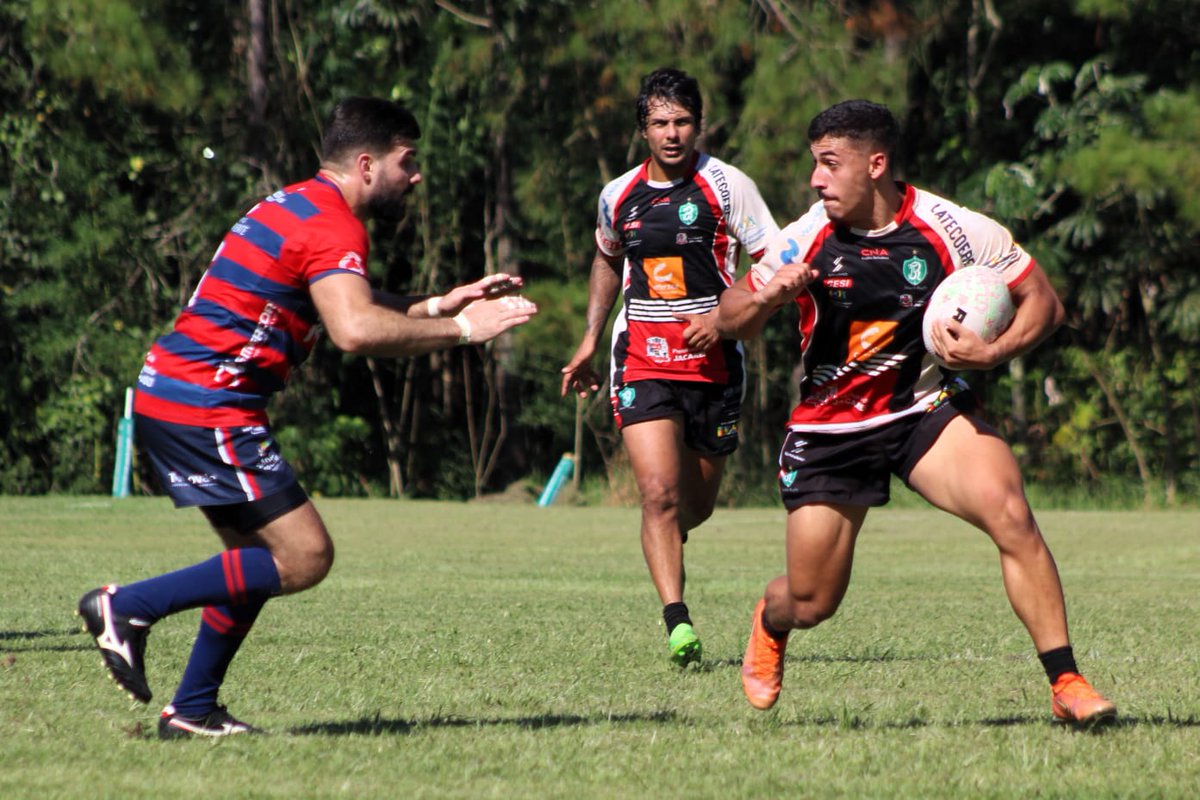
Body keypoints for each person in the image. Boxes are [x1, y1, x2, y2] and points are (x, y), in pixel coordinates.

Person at [76, 97, 537, 739]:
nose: (417, 175)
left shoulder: (294, 202)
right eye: (410, 161)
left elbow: (342, 297)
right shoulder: (334, 225)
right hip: (207, 403)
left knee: (254, 557)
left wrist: (434, 304)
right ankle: (125, 607)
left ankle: (193, 710)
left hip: (178, 394)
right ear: (370, 164)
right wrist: (464, 329)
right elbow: (352, 328)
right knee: (305, 555)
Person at [718, 99, 1116, 726]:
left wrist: (993, 352)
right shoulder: (803, 237)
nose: (816, 179)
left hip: (922, 411)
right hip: (831, 428)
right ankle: (770, 622)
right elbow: (726, 319)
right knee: (813, 600)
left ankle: (1066, 681)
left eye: (829, 164)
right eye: (813, 164)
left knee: (1011, 513)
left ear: (875, 164)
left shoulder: (955, 229)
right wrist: (767, 295)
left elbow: (1042, 300)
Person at [561, 68, 778, 667]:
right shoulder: (617, 196)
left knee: (694, 506)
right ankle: (677, 622)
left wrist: (729, 319)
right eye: (660, 122)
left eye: (682, 121)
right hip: (641, 359)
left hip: (714, 366)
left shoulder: (729, 187)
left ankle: (666, 542)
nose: (672, 133)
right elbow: (607, 259)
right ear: (643, 130)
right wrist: (589, 336)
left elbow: (777, 263)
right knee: (657, 494)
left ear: (698, 124)